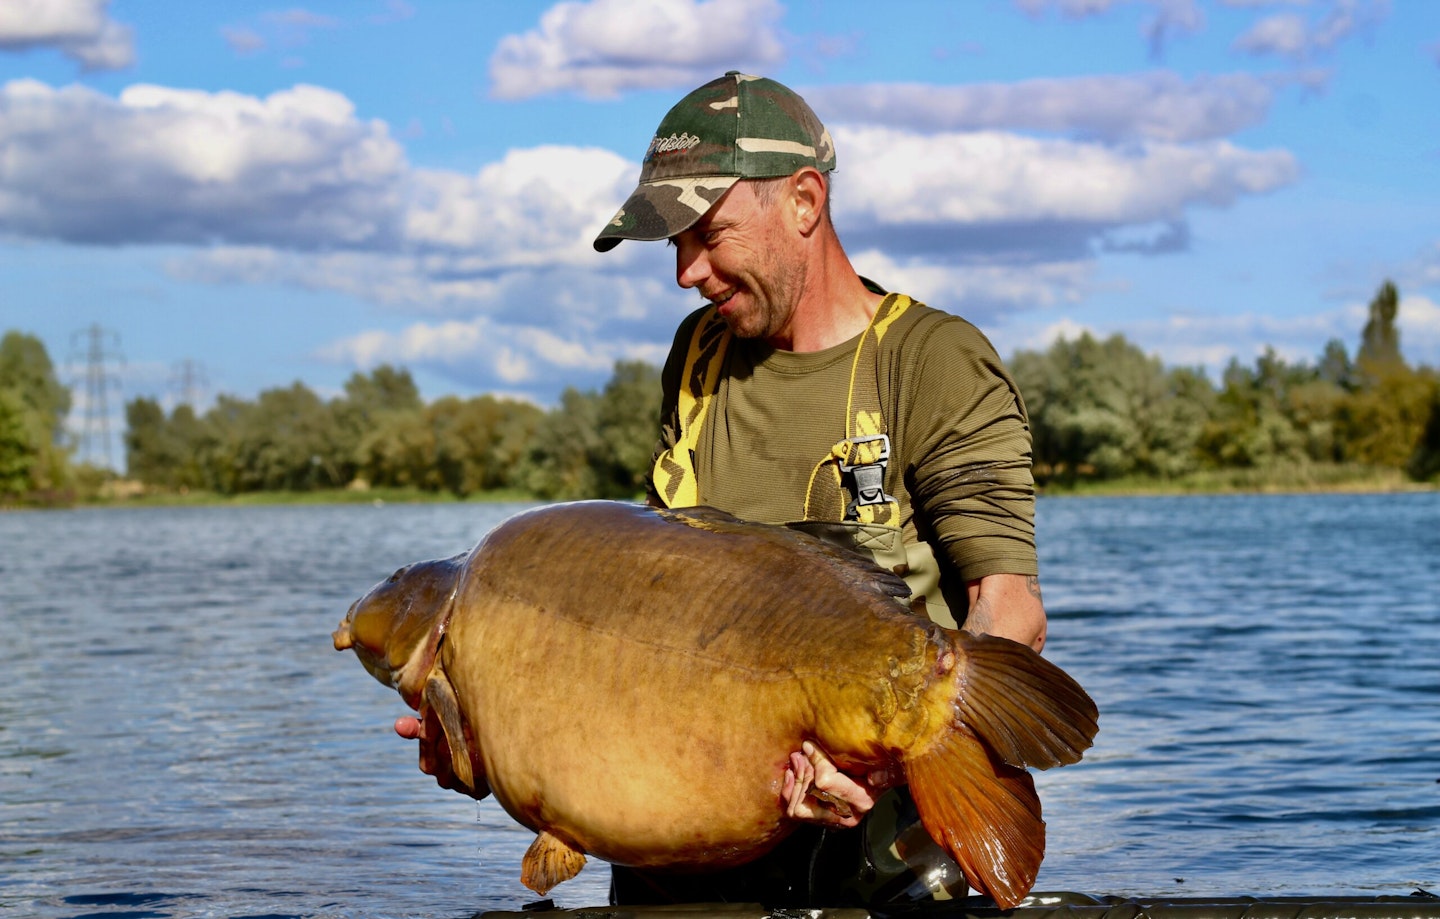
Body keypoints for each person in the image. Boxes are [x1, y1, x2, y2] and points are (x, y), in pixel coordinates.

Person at [397, 71, 1046, 908]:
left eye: (706, 232)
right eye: (673, 243)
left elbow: (1011, 612)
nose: (686, 271)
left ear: (805, 202)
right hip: (688, 830)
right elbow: (657, 620)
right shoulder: (696, 357)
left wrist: (874, 764)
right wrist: (504, 735)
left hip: (882, 844)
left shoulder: (933, 361)